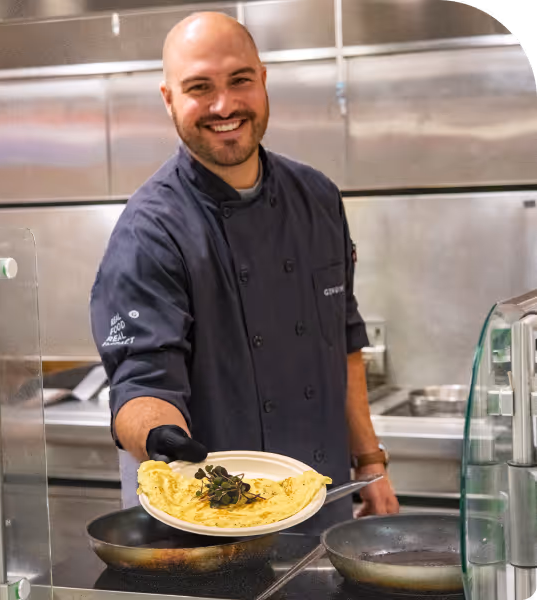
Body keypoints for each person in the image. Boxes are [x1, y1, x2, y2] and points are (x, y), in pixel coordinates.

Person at [90, 11, 399, 528]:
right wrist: (158, 436)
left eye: (240, 81)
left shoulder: (317, 196)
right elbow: (141, 383)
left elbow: (344, 341)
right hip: (213, 522)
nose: (224, 105)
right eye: (199, 88)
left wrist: (371, 462)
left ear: (263, 80)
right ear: (169, 99)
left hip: (324, 504)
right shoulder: (150, 230)